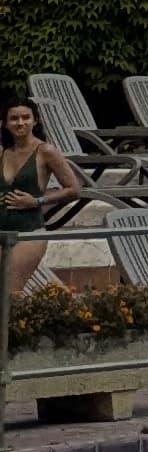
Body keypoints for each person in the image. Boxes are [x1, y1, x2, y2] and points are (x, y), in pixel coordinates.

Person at [2, 96, 85, 302]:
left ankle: (19, 324)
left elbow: (74, 189)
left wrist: (37, 201)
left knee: (10, 293)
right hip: (2, 228)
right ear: (5, 123)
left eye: (25, 117)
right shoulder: (3, 152)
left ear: (35, 120)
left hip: (28, 230)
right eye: (14, 118)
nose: (20, 123)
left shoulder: (46, 151)